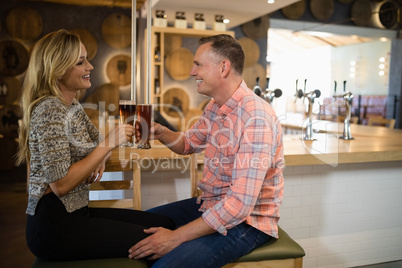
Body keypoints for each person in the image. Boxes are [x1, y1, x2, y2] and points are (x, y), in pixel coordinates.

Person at [16, 29, 174, 262]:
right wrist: (108, 145)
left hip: (76, 213)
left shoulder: (72, 107)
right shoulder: (49, 110)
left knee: (164, 225)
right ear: (58, 70)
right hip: (53, 224)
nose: (90, 67)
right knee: (157, 241)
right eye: (81, 62)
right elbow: (60, 185)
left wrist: (100, 153)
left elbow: (96, 146)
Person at [129, 34, 284, 267]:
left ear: (223, 68)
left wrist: (174, 237)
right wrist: (161, 132)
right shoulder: (215, 106)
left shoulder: (256, 116)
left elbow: (238, 207)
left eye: (198, 64)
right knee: (140, 229)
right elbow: (188, 144)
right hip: (211, 205)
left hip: (248, 224)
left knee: (164, 264)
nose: (192, 72)